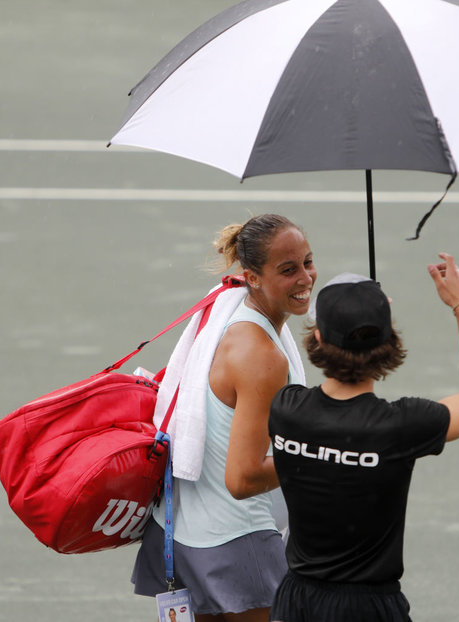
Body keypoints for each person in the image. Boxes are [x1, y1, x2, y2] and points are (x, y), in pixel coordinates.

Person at [267, 253, 459, 622]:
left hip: (296, 603)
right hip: (370, 609)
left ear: (317, 338)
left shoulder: (285, 409)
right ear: (389, 340)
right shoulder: (402, 425)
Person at [132, 214, 317, 622]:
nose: (305, 278)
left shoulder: (226, 316)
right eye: (288, 270)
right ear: (251, 277)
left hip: (179, 532)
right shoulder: (263, 356)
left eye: (307, 261)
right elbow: (244, 478)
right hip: (235, 542)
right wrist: (318, 453)